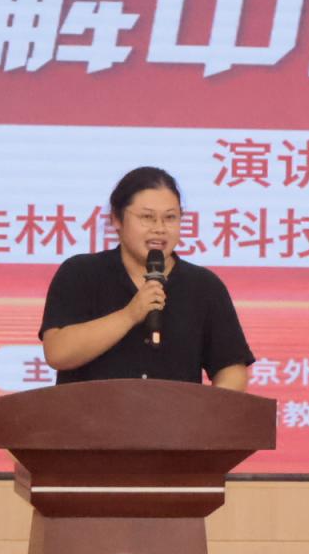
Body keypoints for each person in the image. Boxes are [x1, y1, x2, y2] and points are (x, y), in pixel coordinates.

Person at [38, 166, 254, 389]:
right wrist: (130, 314)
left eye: (170, 217)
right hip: (91, 412)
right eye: (147, 217)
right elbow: (57, 353)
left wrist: (209, 409)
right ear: (116, 218)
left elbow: (231, 368)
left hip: (174, 412)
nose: (160, 228)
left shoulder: (204, 286)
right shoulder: (81, 273)